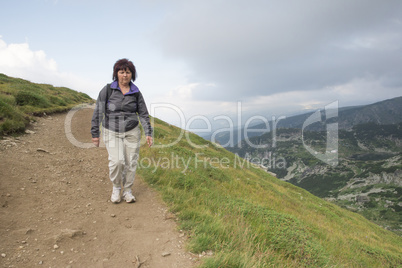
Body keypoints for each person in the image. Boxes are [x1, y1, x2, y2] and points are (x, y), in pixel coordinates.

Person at [91, 58, 153, 203]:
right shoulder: (107, 90)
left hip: (132, 131)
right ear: (116, 74)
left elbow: (143, 113)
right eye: (121, 72)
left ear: (132, 74)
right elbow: (98, 111)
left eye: (128, 72)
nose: (125, 75)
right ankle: (116, 187)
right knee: (117, 161)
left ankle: (128, 190)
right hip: (111, 131)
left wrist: (148, 133)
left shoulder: (136, 92)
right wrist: (95, 133)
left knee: (131, 162)